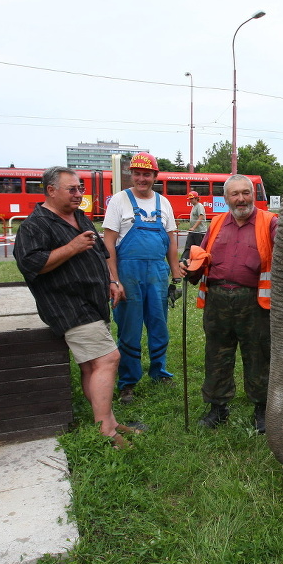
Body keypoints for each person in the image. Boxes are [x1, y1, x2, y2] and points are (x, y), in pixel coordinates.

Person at [14, 166, 137, 449]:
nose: (79, 194)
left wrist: (111, 280)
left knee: (91, 365)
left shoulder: (80, 217)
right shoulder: (35, 225)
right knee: (108, 359)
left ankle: (107, 420)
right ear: (50, 190)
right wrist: (72, 247)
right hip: (68, 304)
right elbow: (32, 265)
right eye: (72, 189)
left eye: (81, 188)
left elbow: (101, 254)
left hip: (93, 301)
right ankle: (106, 430)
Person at [180, 174, 277, 433]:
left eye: (246, 192)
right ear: (226, 199)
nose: (241, 198)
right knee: (217, 355)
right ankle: (218, 408)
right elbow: (202, 257)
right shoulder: (216, 223)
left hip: (254, 301)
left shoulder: (270, 222)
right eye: (235, 194)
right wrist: (191, 268)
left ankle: (262, 410)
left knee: (258, 356)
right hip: (218, 300)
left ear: (253, 195)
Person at [102, 153, 178, 405]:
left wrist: (175, 270)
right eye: (137, 173)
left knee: (159, 324)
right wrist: (114, 279)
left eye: (147, 174)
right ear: (131, 174)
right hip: (128, 274)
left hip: (157, 272)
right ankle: (128, 382)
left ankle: (160, 372)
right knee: (129, 328)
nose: (141, 178)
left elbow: (172, 239)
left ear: (155, 176)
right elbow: (109, 243)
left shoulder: (163, 202)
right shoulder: (119, 201)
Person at [181, 190, 207, 259]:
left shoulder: (199, 206)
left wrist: (193, 227)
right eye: (189, 199)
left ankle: (200, 262)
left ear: (196, 198)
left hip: (199, 232)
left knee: (199, 248)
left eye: (191, 199)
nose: (190, 200)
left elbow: (201, 217)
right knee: (188, 246)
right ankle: (183, 261)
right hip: (193, 231)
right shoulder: (194, 206)